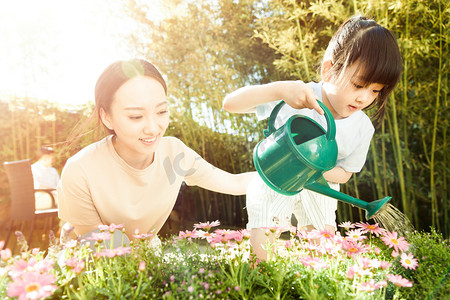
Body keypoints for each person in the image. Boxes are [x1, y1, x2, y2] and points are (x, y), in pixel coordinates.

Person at [223, 15, 402, 260]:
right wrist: (279, 90)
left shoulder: (362, 128)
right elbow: (229, 104)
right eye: (358, 85)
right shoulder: (298, 96)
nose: (364, 98)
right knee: (264, 239)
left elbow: (345, 173)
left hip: (320, 188)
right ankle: (260, 276)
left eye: (375, 91)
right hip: (277, 177)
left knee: (322, 252)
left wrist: (313, 168)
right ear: (329, 70)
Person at [57, 58, 255, 246]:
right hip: (91, 270)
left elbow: (234, 182)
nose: (153, 128)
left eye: (161, 111)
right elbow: (105, 249)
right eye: (136, 116)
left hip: (145, 263)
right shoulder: (81, 170)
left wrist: (283, 179)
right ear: (106, 117)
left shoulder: (174, 154)